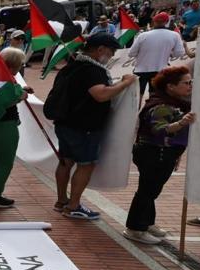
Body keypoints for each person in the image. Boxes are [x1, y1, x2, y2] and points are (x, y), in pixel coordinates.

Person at [48, 33, 137, 220]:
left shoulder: (71, 66)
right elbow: (101, 94)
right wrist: (125, 83)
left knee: (65, 161)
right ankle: (73, 206)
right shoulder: (92, 70)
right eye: (111, 51)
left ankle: (62, 201)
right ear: (100, 49)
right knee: (86, 164)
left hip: (65, 123)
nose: (111, 56)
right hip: (84, 126)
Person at [123, 66, 194, 244]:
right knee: (147, 191)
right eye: (185, 83)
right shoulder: (161, 106)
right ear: (170, 86)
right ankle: (135, 228)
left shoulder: (177, 102)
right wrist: (182, 123)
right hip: (154, 153)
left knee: (151, 190)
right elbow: (160, 130)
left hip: (164, 153)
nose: (190, 86)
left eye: (190, 82)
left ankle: (147, 222)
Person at [0, 47, 34, 209]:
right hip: (5, 126)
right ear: (14, 65)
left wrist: (20, 90)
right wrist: (21, 94)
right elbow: (10, 98)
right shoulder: (6, 80)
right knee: (5, 162)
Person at [128, 11, 185, 99]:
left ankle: (137, 112)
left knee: (137, 97)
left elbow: (131, 53)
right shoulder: (174, 35)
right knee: (155, 97)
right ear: (166, 22)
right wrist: (169, 53)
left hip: (140, 70)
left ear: (154, 21)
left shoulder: (142, 35)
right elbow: (180, 53)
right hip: (160, 70)